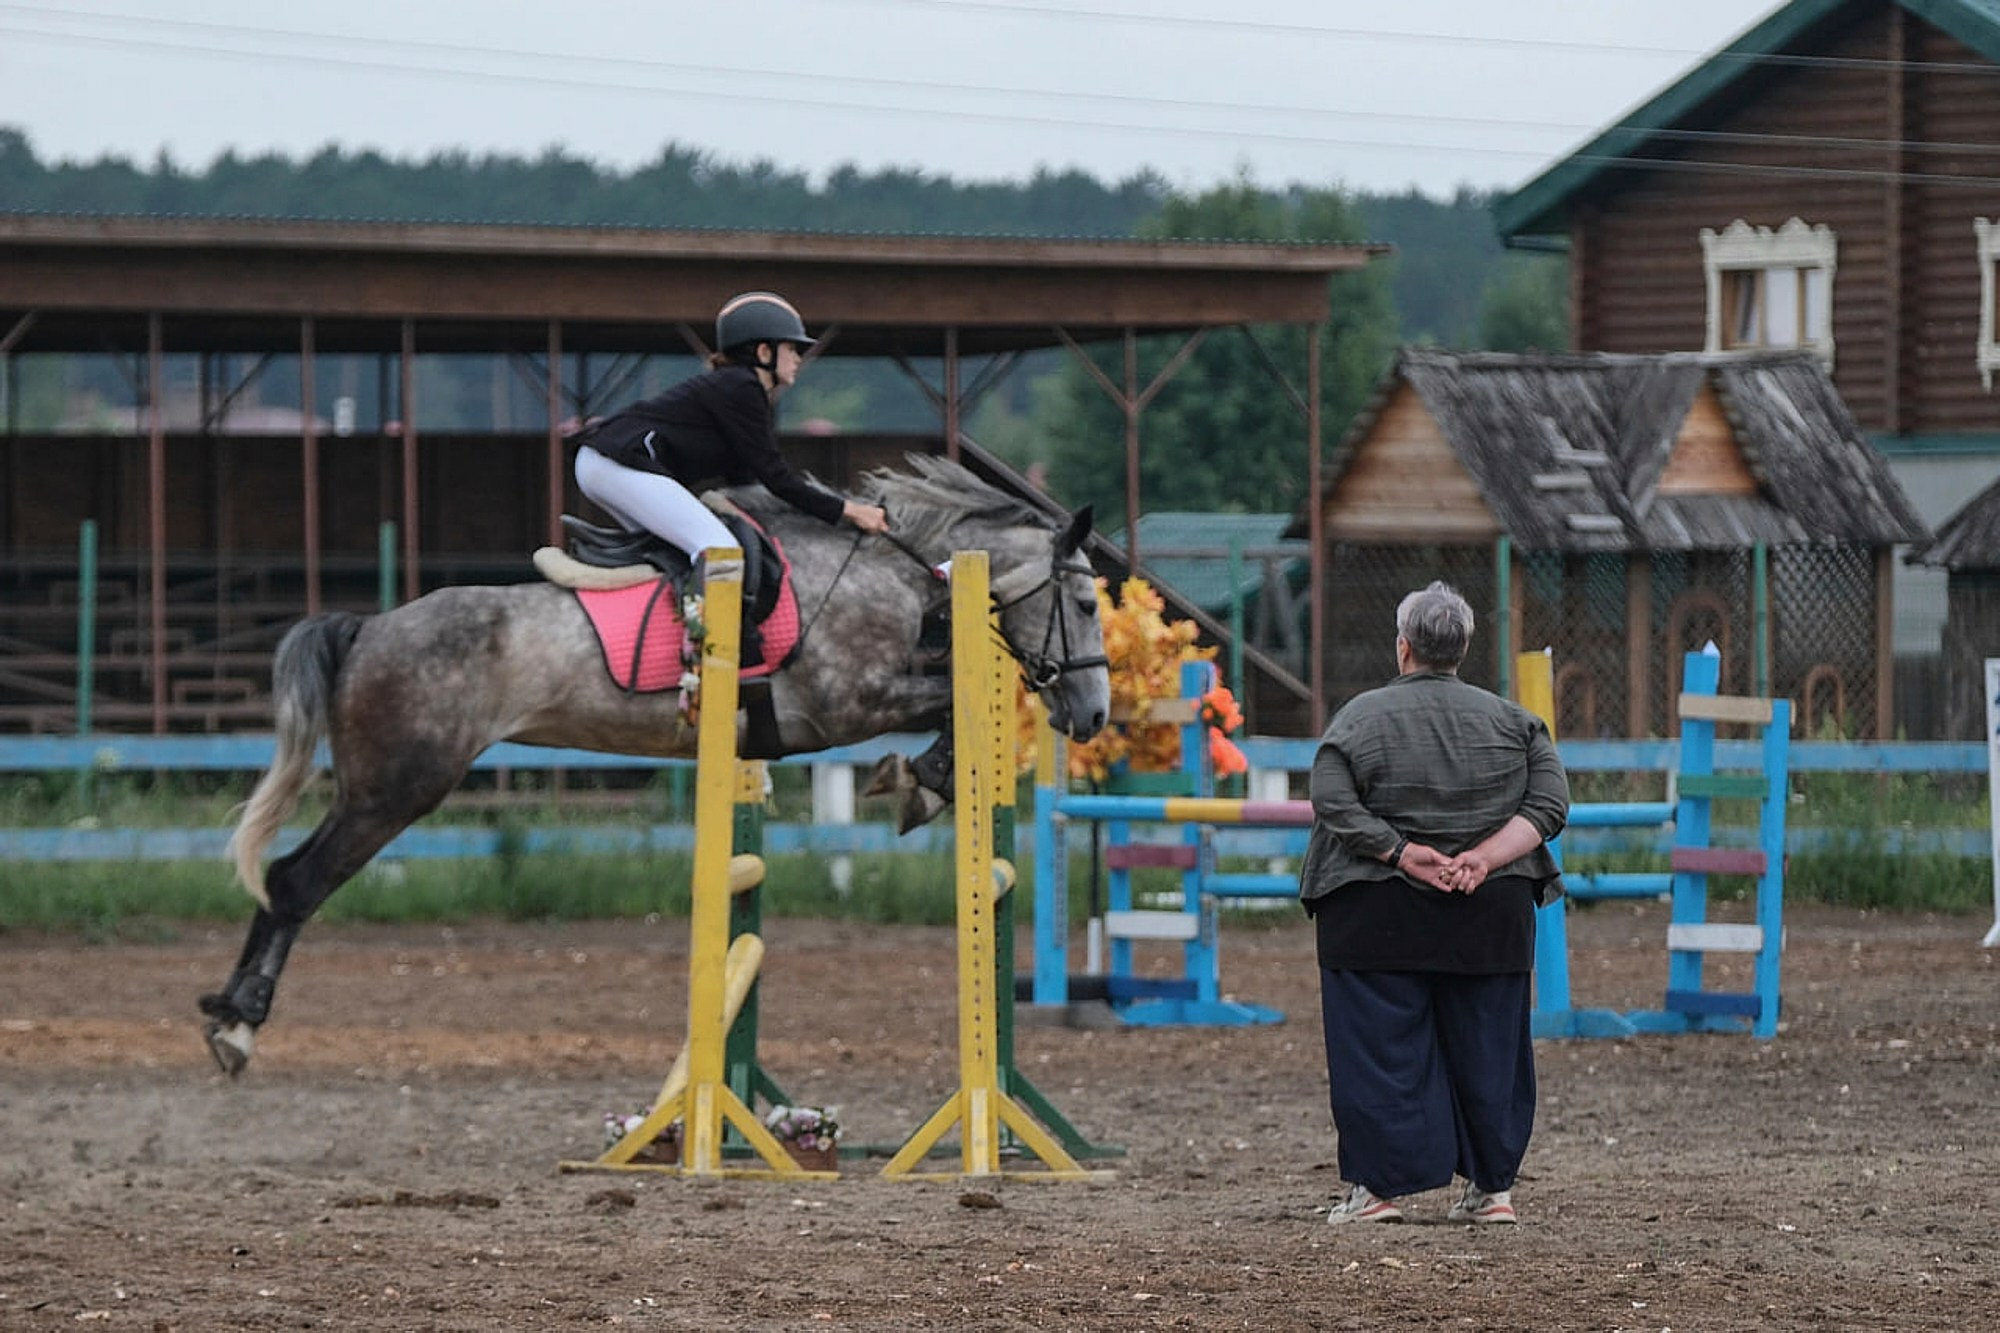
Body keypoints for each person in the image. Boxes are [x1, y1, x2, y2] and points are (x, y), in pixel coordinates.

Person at [1299, 581, 1569, 1227]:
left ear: (1404, 646)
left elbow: (1331, 797)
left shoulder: (1359, 719)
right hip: (1489, 910)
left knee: (1378, 1049)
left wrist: (1399, 851)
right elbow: (1550, 802)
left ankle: (1378, 1192)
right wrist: (1485, 857)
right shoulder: (1515, 723)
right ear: (1463, 646)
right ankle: (1492, 1190)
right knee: (1490, 1048)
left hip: (1374, 914)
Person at [572, 291, 889, 575]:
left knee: (676, 555)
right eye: (792, 348)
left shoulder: (740, 391)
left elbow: (745, 480)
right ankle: (714, 644)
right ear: (764, 352)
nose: (797, 358)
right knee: (720, 552)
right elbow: (777, 478)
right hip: (615, 465)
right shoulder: (742, 386)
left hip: (607, 464)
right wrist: (849, 510)